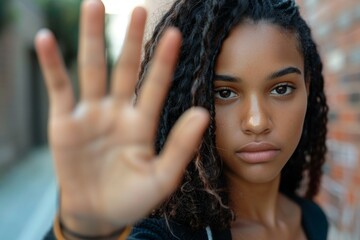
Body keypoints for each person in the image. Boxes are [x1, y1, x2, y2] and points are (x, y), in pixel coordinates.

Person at [38, 0, 329, 239]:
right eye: (225, 92)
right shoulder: (169, 235)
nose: (256, 121)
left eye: (281, 89)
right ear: (188, 100)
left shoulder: (312, 220)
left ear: (308, 86)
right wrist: (82, 230)